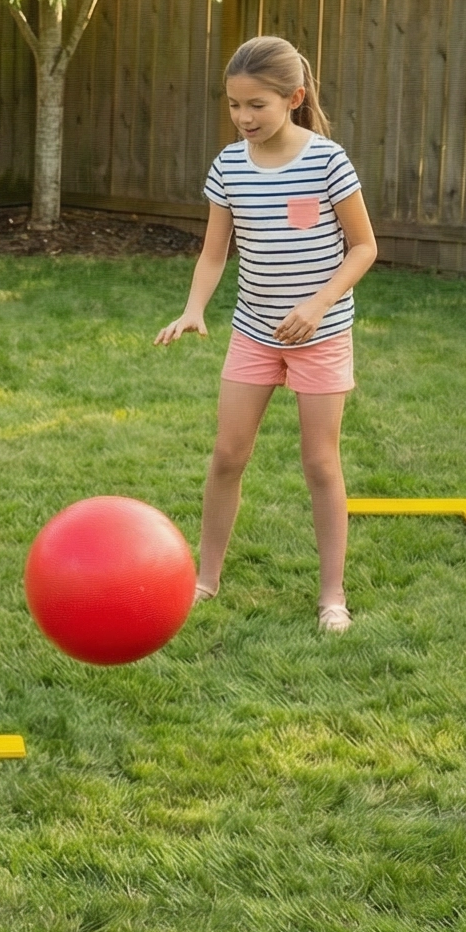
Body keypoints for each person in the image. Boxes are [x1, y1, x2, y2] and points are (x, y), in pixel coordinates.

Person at [156, 35, 380, 632]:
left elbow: (364, 247)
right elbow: (213, 253)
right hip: (253, 331)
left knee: (320, 464)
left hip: (322, 333)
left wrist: (319, 301)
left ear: (294, 98)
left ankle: (332, 595)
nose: (243, 118)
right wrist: (194, 308)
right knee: (228, 454)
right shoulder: (229, 165)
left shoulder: (327, 160)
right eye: (234, 105)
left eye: (256, 104)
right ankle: (206, 580)